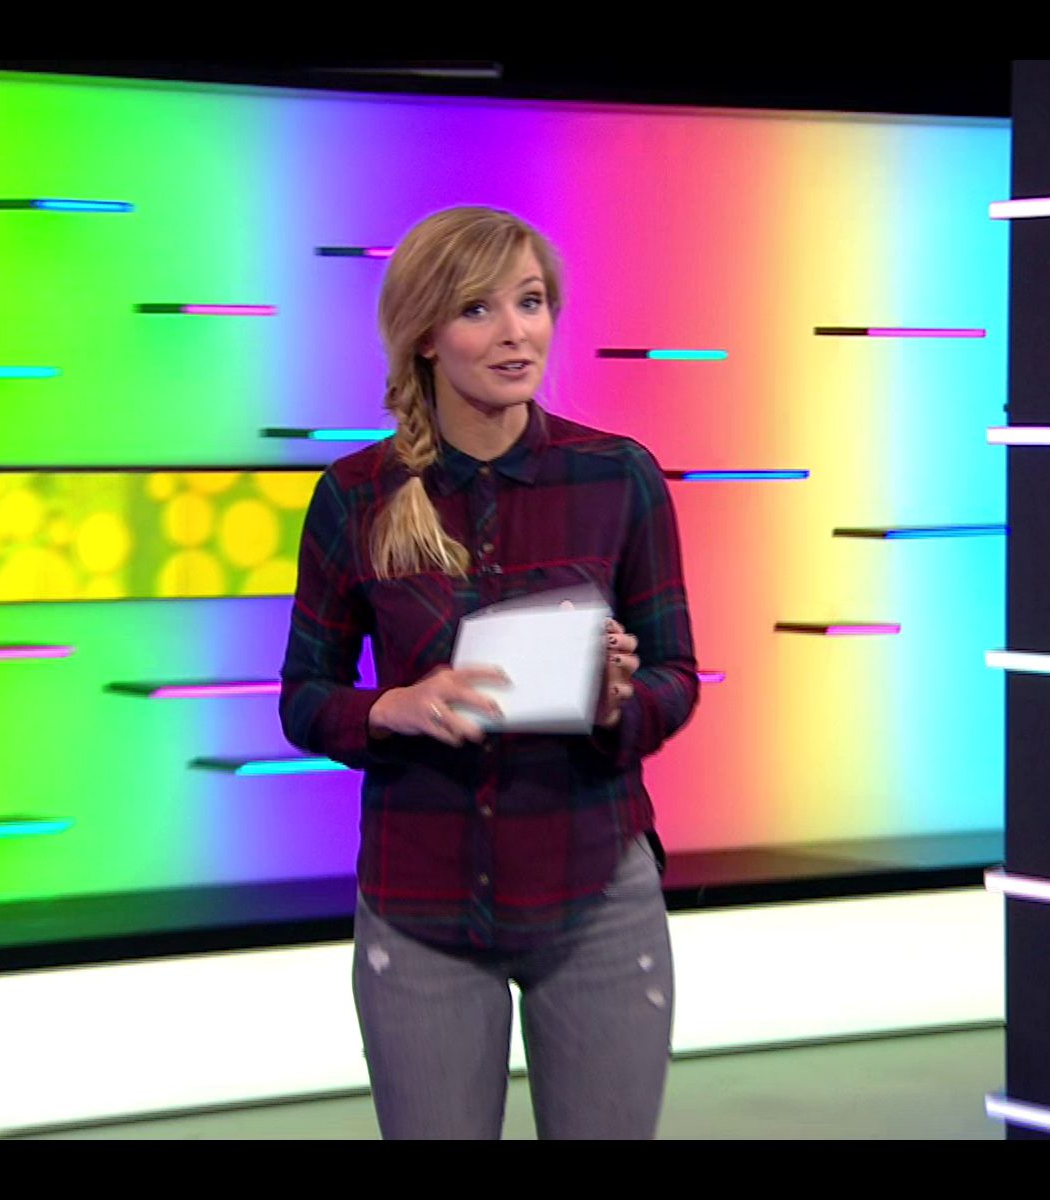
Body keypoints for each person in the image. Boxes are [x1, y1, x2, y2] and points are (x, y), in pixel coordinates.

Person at [279, 205, 700, 1139]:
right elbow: (304, 699)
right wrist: (394, 709)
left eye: (531, 302)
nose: (517, 333)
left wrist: (617, 704)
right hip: (420, 905)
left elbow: (676, 675)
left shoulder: (618, 477)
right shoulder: (355, 496)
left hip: (595, 893)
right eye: (479, 309)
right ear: (426, 335)